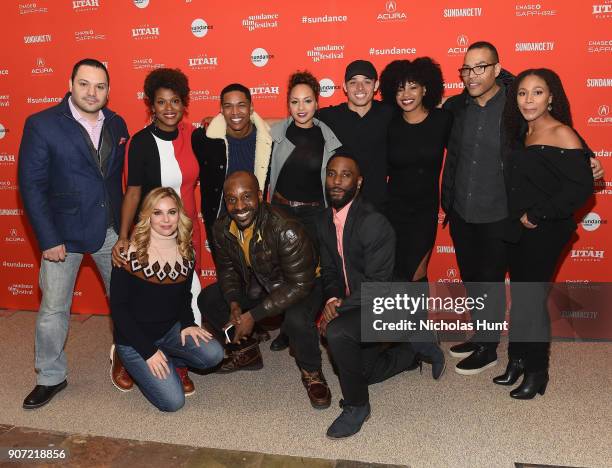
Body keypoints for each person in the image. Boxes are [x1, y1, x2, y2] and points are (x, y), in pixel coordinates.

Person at [441, 41, 603, 376]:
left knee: (491, 279)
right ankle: (480, 335)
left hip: (500, 210)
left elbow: (555, 127)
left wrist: (588, 155)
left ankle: (488, 347)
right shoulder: (456, 106)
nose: (472, 75)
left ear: (497, 70)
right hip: (461, 208)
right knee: (472, 279)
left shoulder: (515, 105)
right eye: (466, 69)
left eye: (481, 67)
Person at [18, 58, 129, 409]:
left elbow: (115, 181)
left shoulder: (117, 122)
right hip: (61, 235)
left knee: (126, 303)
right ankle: (50, 376)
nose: (92, 92)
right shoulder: (42, 124)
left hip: (109, 230)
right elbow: (31, 186)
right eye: (85, 84)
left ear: (108, 90)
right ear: (70, 84)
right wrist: (48, 239)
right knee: (53, 309)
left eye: (100, 86)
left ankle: (125, 360)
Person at [494, 69, 593, 399]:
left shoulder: (561, 132)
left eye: (537, 92)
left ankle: (538, 372)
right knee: (521, 300)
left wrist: (536, 214)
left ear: (552, 97)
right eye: (522, 93)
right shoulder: (522, 131)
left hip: (545, 231)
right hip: (517, 230)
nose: (528, 100)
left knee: (531, 301)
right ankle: (517, 361)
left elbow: (581, 189)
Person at [197, 171, 332, 409]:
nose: (239, 206)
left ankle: (312, 372)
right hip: (261, 280)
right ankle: (247, 353)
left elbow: (299, 285)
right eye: (231, 199)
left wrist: (253, 315)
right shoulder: (221, 228)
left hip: (302, 285)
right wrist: (234, 303)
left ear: (260, 196)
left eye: (247, 196)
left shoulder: (285, 229)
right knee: (209, 298)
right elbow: (227, 269)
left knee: (297, 320)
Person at [110, 68, 202, 392]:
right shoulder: (140, 143)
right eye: (161, 102)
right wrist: (123, 237)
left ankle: (180, 361)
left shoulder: (193, 136)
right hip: (151, 231)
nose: (168, 108)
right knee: (141, 299)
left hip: (187, 231)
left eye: (175, 101)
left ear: (183, 103)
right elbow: (132, 192)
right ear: (151, 105)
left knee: (188, 294)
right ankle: (127, 351)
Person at [318, 154, 420, 439]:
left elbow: (379, 286)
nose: (336, 181)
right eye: (331, 174)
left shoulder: (373, 222)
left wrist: (339, 307)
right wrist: (330, 300)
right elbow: (328, 270)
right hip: (357, 304)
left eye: (345, 175)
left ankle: (357, 407)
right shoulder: (324, 220)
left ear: (358, 182)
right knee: (359, 374)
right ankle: (412, 352)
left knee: (337, 333)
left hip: (387, 304)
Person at [110, 187, 223, 411]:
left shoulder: (186, 251)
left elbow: (183, 296)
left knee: (214, 354)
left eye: (171, 212)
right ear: (147, 216)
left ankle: (173, 360)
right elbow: (119, 310)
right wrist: (148, 352)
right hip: (134, 340)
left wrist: (189, 324)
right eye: (158, 212)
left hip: (168, 331)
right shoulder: (127, 254)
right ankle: (124, 360)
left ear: (179, 215)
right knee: (173, 402)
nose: (166, 219)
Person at [267, 70, 342, 351]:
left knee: (307, 276)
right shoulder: (276, 132)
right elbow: (247, 124)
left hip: (313, 215)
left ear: (316, 103)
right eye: (295, 101)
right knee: (284, 274)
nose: (301, 108)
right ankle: (288, 326)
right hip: (280, 211)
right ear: (288, 104)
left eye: (307, 101)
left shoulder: (328, 138)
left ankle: (299, 324)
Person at [192, 83, 272, 260]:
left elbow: (291, 122)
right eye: (228, 106)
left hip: (257, 224)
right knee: (228, 282)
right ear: (221, 110)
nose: (235, 112)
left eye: (241, 105)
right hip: (220, 226)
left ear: (251, 108)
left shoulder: (266, 140)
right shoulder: (205, 140)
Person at [316, 60, 394, 211]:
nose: (360, 88)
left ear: (376, 85)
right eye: (353, 82)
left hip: (378, 207)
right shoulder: (330, 116)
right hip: (341, 207)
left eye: (366, 81)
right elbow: (298, 117)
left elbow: (421, 108)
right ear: (345, 87)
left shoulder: (388, 113)